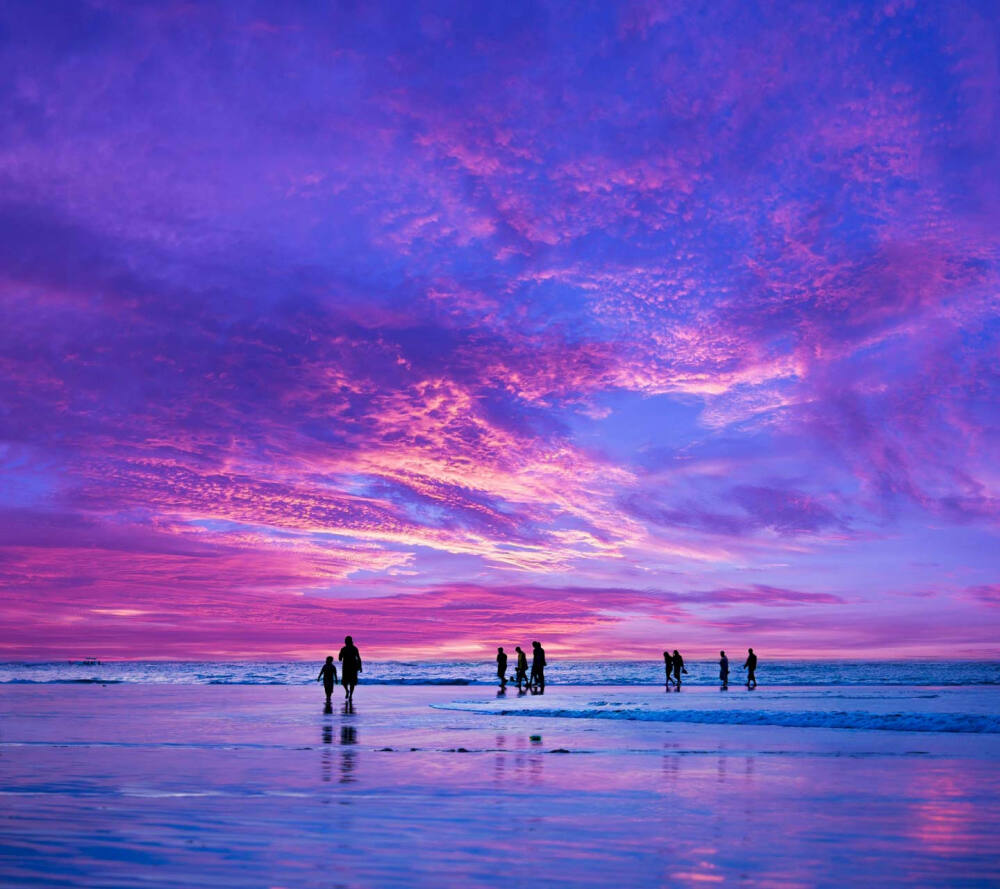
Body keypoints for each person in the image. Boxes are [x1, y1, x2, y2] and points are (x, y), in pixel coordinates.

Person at [338, 636, 363, 701]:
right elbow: (340, 659)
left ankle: (350, 694)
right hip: (348, 667)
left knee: (350, 682)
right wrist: (360, 666)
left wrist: (360, 667)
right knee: (346, 682)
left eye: (346, 640)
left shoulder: (353, 649)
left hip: (351, 667)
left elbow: (358, 657)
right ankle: (348, 692)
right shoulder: (345, 649)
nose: (346, 642)